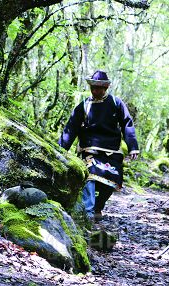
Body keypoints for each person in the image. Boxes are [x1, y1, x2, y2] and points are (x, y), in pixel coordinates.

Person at [58, 70, 139, 221]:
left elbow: (127, 124)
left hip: (112, 151)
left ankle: (98, 208)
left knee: (112, 180)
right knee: (90, 178)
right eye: (94, 87)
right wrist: (60, 149)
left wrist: (133, 145)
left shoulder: (116, 103)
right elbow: (71, 128)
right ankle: (87, 214)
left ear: (106, 88)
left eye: (100, 88)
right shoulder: (83, 106)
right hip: (89, 149)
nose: (96, 91)